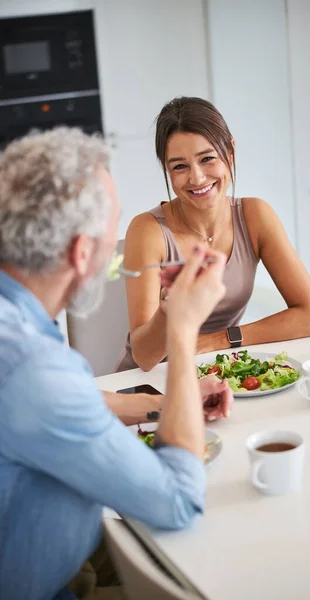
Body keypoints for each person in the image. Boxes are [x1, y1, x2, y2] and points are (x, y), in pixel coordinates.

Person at [0, 127, 232, 600]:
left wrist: (164, 405)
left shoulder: (17, 330)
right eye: (112, 235)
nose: (117, 250)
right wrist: (183, 330)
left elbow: (58, 406)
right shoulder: (29, 366)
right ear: (82, 254)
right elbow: (178, 502)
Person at [117, 96, 310, 373]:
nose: (197, 178)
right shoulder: (147, 231)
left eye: (207, 159)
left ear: (230, 153)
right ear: (166, 170)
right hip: (153, 383)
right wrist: (171, 310)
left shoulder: (255, 215)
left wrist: (217, 341)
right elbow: (143, 356)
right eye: (179, 166)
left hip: (220, 372)